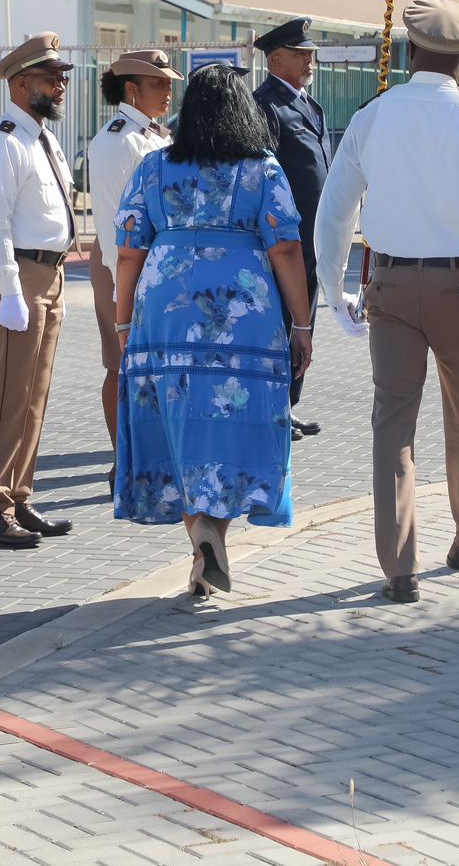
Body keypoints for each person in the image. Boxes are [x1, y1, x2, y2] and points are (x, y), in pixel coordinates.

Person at [316, 0, 459, 605]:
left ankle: (399, 565)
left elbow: (335, 213)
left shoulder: (373, 116)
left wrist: (334, 290)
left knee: (392, 424)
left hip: (393, 285)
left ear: (408, 52)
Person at [112, 64, 311, 597]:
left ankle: (200, 544)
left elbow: (129, 251)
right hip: (244, 309)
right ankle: (211, 534)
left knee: (176, 420)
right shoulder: (262, 170)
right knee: (233, 420)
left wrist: (124, 319)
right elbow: (287, 249)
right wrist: (303, 322)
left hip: (165, 306)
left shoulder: (154, 167)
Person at [0, 32, 77, 549]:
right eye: (49, 79)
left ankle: (17, 494)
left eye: (61, 79)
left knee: (34, 395)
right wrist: (10, 290)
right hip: (17, 275)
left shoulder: (42, 137)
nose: (59, 87)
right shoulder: (4, 141)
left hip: (49, 274)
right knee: (10, 392)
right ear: (19, 83)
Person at [86, 50, 178, 467]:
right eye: (159, 83)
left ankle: (149, 455)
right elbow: (113, 218)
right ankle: (123, 460)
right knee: (121, 365)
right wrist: (126, 279)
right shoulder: (117, 140)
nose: (169, 89)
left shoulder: (155, 135)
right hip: (123, 266)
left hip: (153, 266)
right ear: (131, 89)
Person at [252, 18, 332, 439]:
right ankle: (272, 405)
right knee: (280, 320)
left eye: (310, 52)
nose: (309, 59)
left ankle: (288, 402)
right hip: (282, 238)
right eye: (301, 54)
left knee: (304, 319)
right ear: (276, 59)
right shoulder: (264, 105)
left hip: (312, 238)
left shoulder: (308, 104)